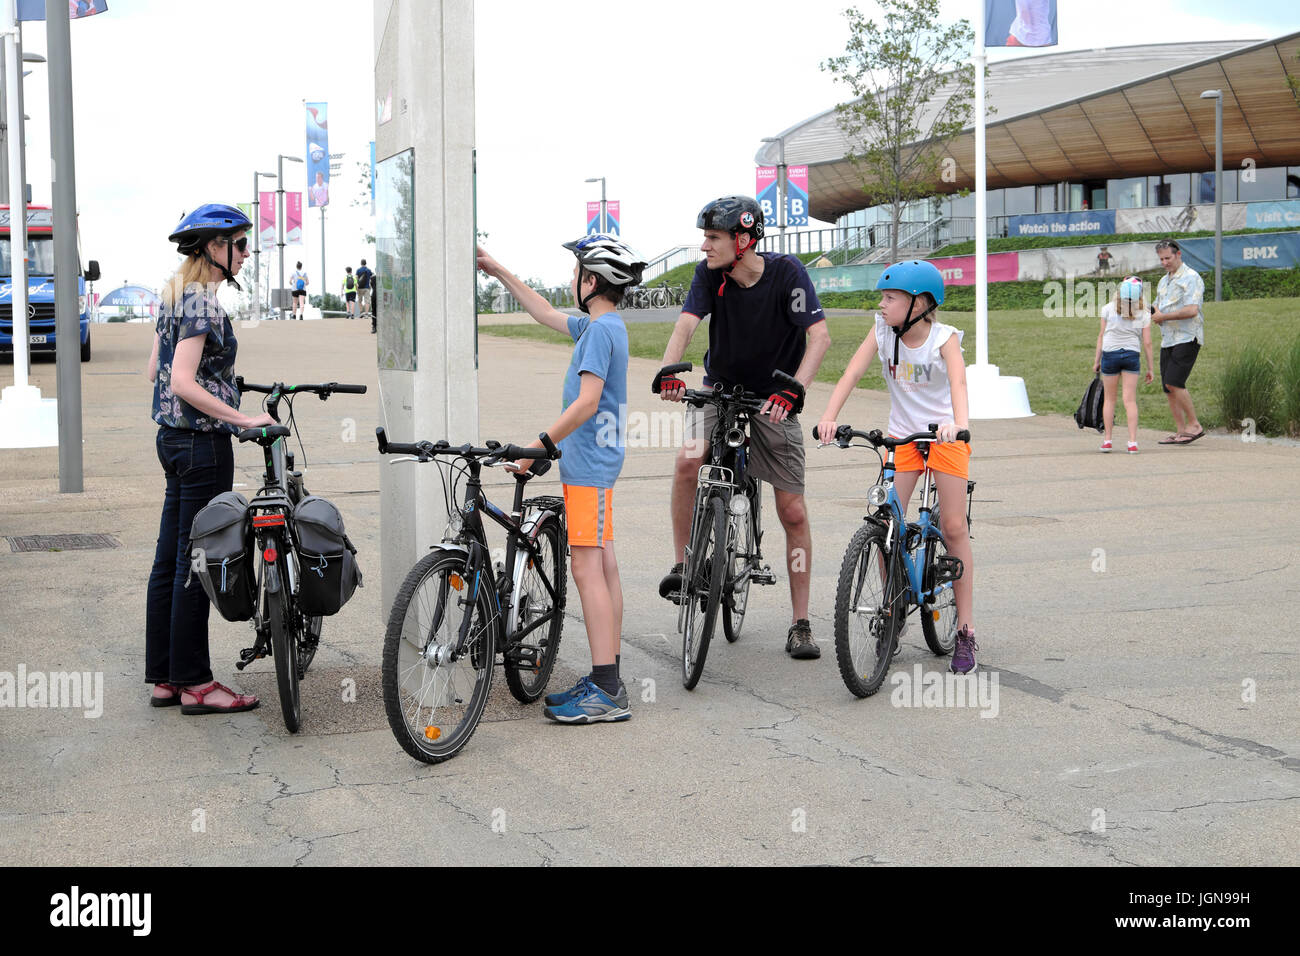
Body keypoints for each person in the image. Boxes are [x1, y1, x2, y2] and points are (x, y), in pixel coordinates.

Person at [477, 234, 645, 723]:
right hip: (598, 465)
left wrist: (536, 449)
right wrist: (500, 269)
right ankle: (606, 678)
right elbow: (545, 314)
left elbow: (587, 403)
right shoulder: (606, 325)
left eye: (576, 274)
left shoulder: (598, 333)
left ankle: (607, 690)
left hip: (588, 468)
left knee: (586, 568)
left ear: (590, 282)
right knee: (604, 564)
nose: (571, 281)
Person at [656, 196, 831, 660]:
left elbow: (820, 338)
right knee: (687, 461)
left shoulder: (788, 274)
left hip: (774, 396)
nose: (704, 247)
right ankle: (683, 564)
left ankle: (800, 623)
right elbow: (686, 324)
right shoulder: (709, 276)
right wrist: (671, 368)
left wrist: (796, 388)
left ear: (744, 239)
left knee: (792, 510)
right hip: (718, 387)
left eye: (712, 238)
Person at [813, 260, 978, 674]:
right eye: (882, 298)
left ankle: (966, 631)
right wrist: (829, 416)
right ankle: (894, 604)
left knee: (955, 527)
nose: (882, 305)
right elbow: (852, 371)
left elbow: (958, 381)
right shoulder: (882, 331)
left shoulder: (944, 339)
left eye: (890, 298)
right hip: (902, 438)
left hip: (943, 437)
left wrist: (958, 423)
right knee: (889, 525)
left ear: (919, 303)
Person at [144, 204, 276, 714]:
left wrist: (216, 384)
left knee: (170, 561)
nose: (245, 254)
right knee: (198, 563)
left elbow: (158, 368)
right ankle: (197, 683)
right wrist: (243, 420)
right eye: (240, 245)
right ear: (215, 249)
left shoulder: (174, 296)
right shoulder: (202, 303)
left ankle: (166, 679)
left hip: (172, 442)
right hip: (201, 446)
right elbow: (181, 380)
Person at [1151, 239, 1206, 444]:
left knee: (1175, 381)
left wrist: (1163, 317)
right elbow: (1157, 307)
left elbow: (1192, 310)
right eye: (1161, 259)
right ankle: (1181, 430)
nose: (1164, 262)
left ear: (1178, 254)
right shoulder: (1164, 281)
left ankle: (1195, 425)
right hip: (1168, 339)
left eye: (1168, 258)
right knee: (1168, 386)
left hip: (1187, 337)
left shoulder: (1192, 278)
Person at [1093, 276, 1154, 453]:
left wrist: (1097, 361)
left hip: (1110, 354)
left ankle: (1107, 440)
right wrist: (1150, 368)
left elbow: (1101, 336)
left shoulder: (1107, 309)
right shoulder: (1144, 313)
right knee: (1130, 400)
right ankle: (1132, 442)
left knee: (1110, 399)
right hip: (1131, 354)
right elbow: (1147, 342)